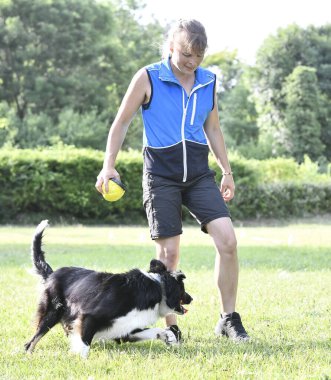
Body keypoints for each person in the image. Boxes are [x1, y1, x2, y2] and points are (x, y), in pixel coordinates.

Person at [95, 19, 249, 343]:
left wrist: (227, 171)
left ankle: (228, 318)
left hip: (197, 174)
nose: (191, 62)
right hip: (160, 176)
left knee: (228, 241)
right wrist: (108, 165)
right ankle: (169, 327)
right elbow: (121, 121)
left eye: (198, 55)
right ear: (171, 47)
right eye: (185, 53)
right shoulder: (148, 76)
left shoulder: (208, 81)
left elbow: (214, 129)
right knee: (168, 257)